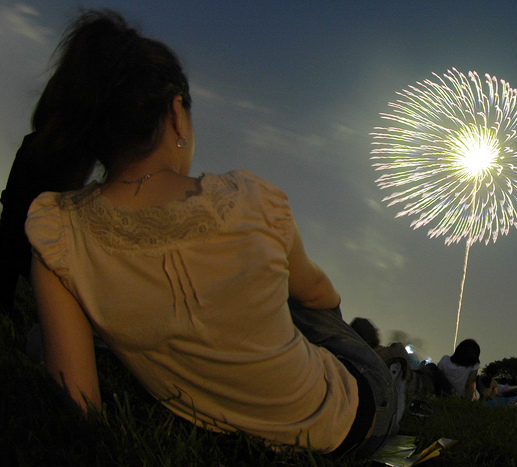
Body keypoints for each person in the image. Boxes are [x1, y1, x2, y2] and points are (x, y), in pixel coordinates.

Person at [22, 11, 397, 456]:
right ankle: (387, 373)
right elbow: (317, 294)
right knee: (310, 304)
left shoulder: (58, 233)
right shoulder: (251, 200)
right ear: (177, 115)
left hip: (221, 420)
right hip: (350, 420)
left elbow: (79, 403)